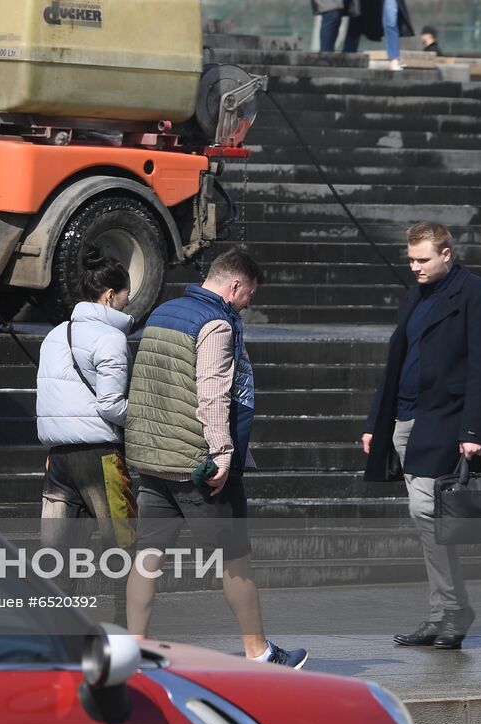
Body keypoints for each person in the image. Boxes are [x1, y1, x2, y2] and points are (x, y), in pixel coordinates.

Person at [122, 249, 308, 669]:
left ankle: (133, 648)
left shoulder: (163, 312)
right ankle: (259, 652)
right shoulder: (216, 324)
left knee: (147, 556)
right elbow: (212, 394)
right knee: (235, 557)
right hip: (197, 465)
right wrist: (222, 454)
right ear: (235, 285)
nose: (248, 304)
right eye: (250, 296)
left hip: (154, 459)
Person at [362, 223, 481, 650]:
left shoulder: (477, 295)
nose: (415, 267)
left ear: (447, 253)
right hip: (406, 422)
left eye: (422, 259)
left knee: (427, 514)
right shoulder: (416, 295)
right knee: (425, 520)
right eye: (410, 259)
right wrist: (376, 422)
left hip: (447, 421)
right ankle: (443, 613)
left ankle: (453, 611)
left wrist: (474, 429)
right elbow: (395, 361)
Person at [36, 250, 137, 553]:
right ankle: (126, 604)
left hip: (57, 459)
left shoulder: (54, 335)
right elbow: (109, 406)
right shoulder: (110, 338)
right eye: (125, 295)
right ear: (109, 295)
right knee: (123, 548)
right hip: (100, 458)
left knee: (56, 557)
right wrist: (144, 417)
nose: (126, 302)